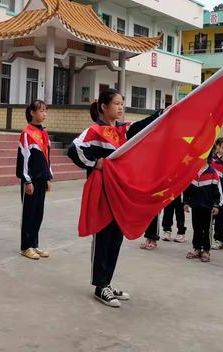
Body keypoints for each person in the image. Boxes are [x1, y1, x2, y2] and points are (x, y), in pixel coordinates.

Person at [68, 89, 162, 308]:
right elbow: (75, 150)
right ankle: (100, 286)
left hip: (120, 191)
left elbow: (141, 127)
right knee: (103, 237)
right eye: (117, 104)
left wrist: (162, 113)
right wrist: (95, 163)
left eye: (122, 104)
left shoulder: (122, 131)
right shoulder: (94, 130)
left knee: (115, 238)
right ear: (103, 106)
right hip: (102, 191)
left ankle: (107, 282)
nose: (121, 108)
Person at [16, 100, 53, 260]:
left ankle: (34, 244)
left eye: (45, 111)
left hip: (42, 179)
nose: (44, 114)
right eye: (41, 111)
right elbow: (23, 159)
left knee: (39, 213)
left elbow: (47, 158)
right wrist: (27, 180)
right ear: (32, 112)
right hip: (30, 181)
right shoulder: (26, 134)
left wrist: (48, 177)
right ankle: (26, 246)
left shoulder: (44, 133)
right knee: (29, 214)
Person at [183, 161, 222, 262]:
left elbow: (217, 191)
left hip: (208, 208)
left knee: (207, 229)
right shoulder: (192, 172)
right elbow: (186, 188)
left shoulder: (212, 172)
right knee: (197, 228)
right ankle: (196, 248)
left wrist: (216, 205)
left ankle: (206, 250)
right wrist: (186, 202)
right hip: (195, 206)